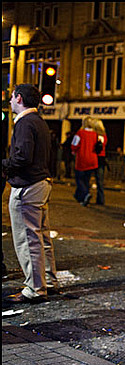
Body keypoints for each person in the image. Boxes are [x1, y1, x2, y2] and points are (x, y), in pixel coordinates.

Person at [2, 84, 59, 303]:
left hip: (27, 186)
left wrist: (4, 165)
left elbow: (22, 157)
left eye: (12, 97)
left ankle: (35, 288)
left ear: (19, 98)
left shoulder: (24, 123)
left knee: (27, 239)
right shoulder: (39, 122)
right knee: (41, 236)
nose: (10, 101)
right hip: (41, 183)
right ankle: (48, 281)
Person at [71, 116, 99, 206]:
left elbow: (74, 145)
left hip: (82, 159)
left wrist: (74, 150)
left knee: (79, 179)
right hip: (92, 159)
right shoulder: (95, 134)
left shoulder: (80, 133)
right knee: (86, 180)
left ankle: (85, 194)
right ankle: (83, 198)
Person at [92, 118, 108, 205]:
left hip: (95, 157)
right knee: (100, 180)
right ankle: (100, 198)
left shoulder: (95, 135)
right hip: (102, 157)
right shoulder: (104, 136)